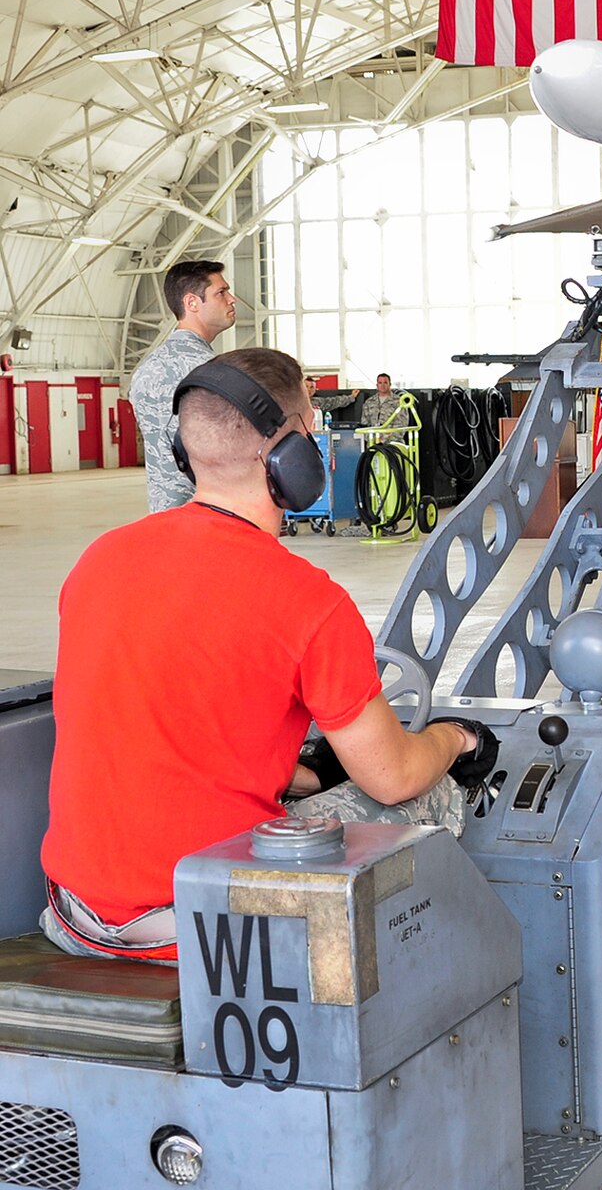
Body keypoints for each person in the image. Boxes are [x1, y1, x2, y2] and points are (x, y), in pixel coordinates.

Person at [39, 348, 483, 962]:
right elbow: (393, 775)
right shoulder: (308, 601)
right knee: (430, 794)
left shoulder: (99, 560)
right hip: (212, 929)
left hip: (76, 916)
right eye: (309, 431)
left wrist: (312, 775)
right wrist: (454, 737)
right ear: (290, 455)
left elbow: (175, 728)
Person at [128, 258, 236, 511]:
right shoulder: (215, 372)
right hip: (210, 515)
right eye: (221, 292)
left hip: (165, 516)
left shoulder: (145, 370)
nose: (232, 299)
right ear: (192, 303)